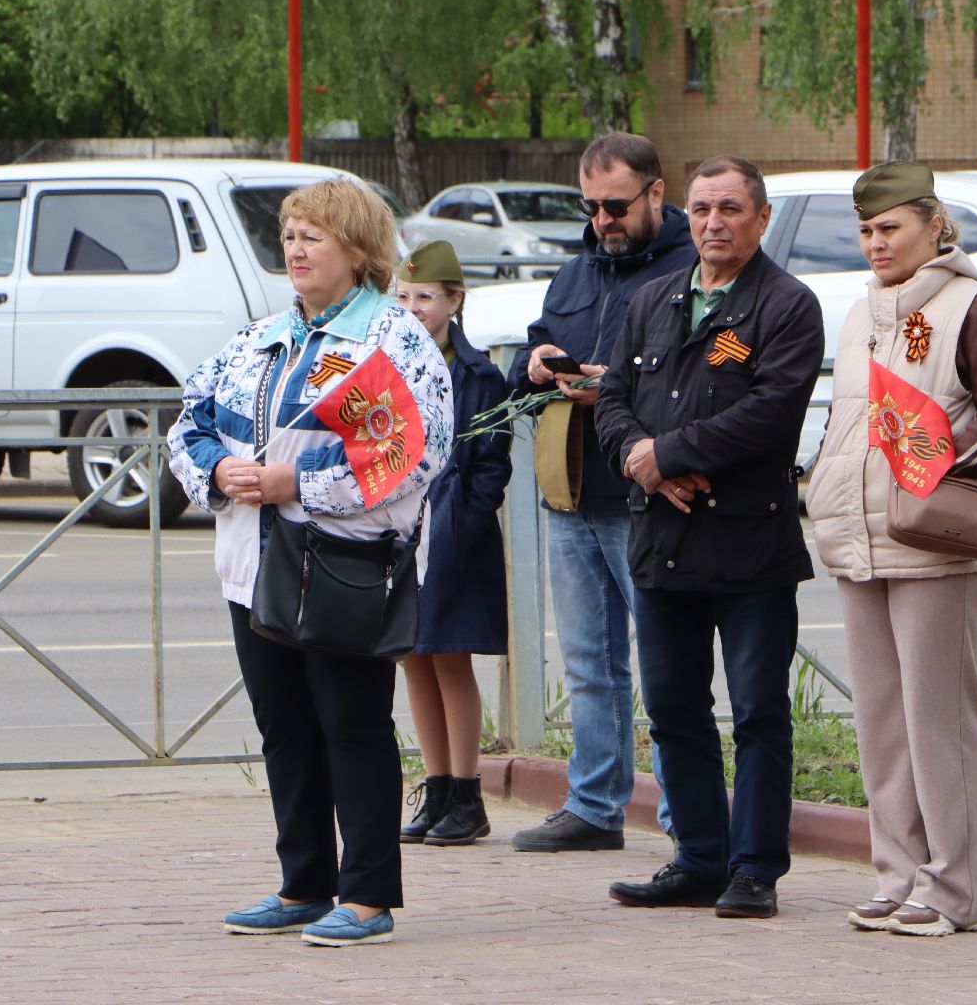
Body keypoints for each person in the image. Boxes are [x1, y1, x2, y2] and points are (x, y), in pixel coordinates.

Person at [168, 178, 454, 947]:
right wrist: (216, 475)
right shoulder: (261, 336)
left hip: (342, 565)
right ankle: (303, 883)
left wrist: (300, 483)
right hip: (251, 565)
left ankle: (366, 893)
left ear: (358, 251)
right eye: (290, 234)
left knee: (352, 725)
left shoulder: (390, 340)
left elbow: (411, 452)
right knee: (284, 727)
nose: (294, 248)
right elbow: (190, 418)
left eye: (312, 235)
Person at [595, 155, 826, 919]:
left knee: (758, 712)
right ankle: (699, 856)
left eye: (730, 209)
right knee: (673, 709)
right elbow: (613, 400)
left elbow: (770, 411)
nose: (714, 223)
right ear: (681, 217)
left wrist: (673, 452)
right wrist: (644, 462)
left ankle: (755, 867)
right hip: (661, 539)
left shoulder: (787, 305)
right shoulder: (652, 298)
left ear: (759, 219)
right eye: (700, 209)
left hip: (748, 548)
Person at [806, 162, 977, 938]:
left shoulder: (974, 305)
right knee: (882, 720)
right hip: (858, 535)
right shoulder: (862, 311)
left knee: (939, 721)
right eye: (866, 230)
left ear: (935, 226)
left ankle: (957, 888)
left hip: (934, 539)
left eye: (890, 227)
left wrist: (927, 463)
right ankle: (899, 874)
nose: (876, 243)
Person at [510, 132, 699, 854]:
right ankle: (594, 805)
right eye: (590, 207)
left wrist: (611, 387)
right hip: (572, 491)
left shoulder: (691, 267)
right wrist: (535, 365)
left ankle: (687, 819)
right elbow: (539, 341)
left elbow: (695, 380)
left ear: (656, 192)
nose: (602, 222)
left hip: (645, 494)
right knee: (589, 663)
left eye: (615, 206)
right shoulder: (576, 271)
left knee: (665, 668)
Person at [393, 240, 512, 847]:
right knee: (413, 657)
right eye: (405, 297)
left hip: (452, 530)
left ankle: (468, 792)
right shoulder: (384, 363)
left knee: (450, 657)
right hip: (398, 527)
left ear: (454, 300)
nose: (414, 309)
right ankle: (436, 785)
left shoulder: (478, 373)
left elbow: (492, 463)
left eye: (427, 298)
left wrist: (465, 514)